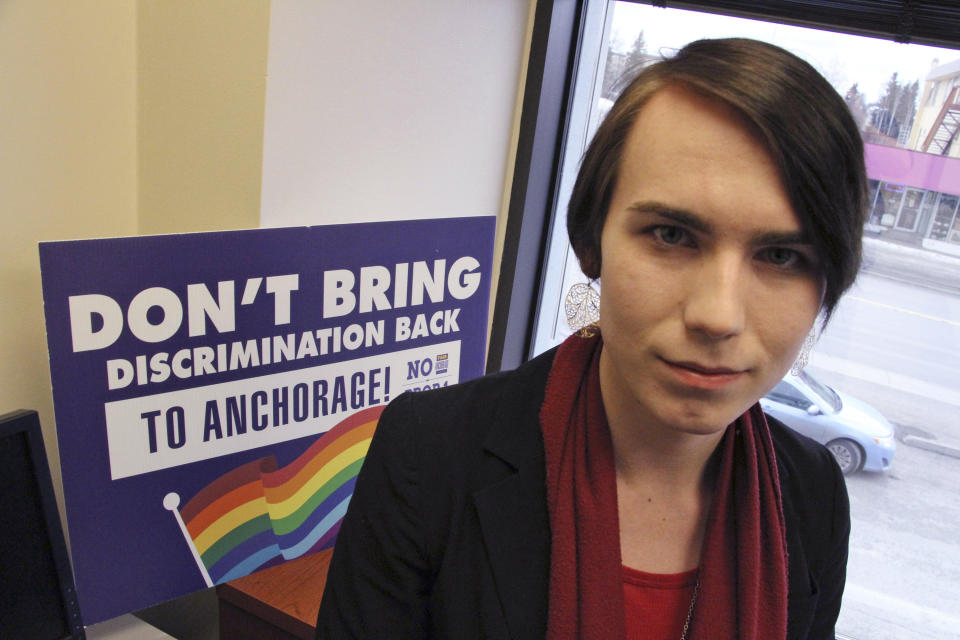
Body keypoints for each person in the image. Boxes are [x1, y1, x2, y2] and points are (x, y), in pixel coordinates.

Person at [316, 37, 866, 640]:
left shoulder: (812, 496)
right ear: (591, 239)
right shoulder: (431, 457)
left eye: (782, 255)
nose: (717, 314)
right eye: (672, 235)